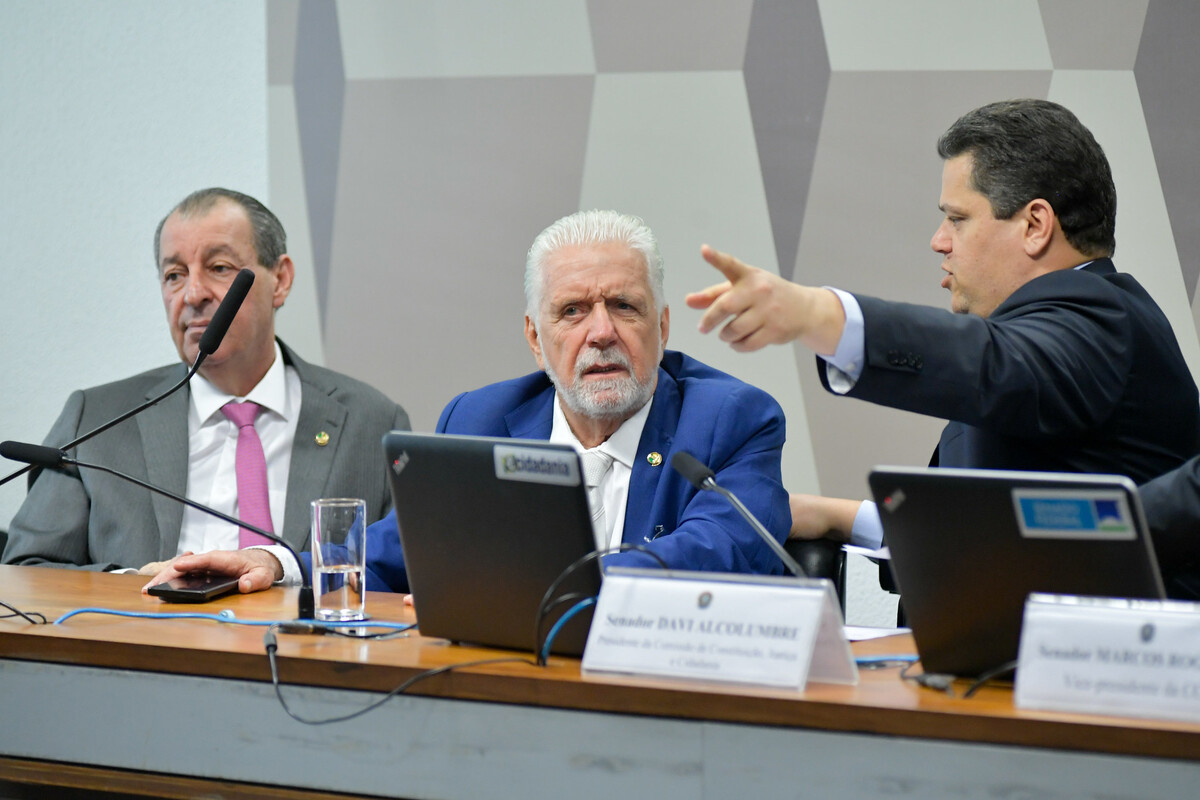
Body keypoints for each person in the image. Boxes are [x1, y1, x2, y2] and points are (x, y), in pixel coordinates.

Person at [686, 99, 1200, 594]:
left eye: (957, 218)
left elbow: (990, 365)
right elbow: (997, 537)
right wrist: (840, 518)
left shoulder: (1097, 317)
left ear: (1035, 226)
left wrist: (817, 314)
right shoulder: (1055, 326)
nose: (939, 240)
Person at [148, 210, 790, 595]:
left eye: (624, 306)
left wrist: (532, 587)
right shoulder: (481, 420)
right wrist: (277, 562)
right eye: (573, 311)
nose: (601, 332)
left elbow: (720, 549)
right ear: (536, 339)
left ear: (663, 328)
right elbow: (404, 547)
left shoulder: (730, 420)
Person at [3, 188, 409, 572]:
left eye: (219, 268)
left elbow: (403, 570)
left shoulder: (371, 422)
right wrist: (132, 588)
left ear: (280, 280)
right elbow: (27, 569)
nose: (193, 293)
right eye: (174, 275)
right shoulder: (95, 422)